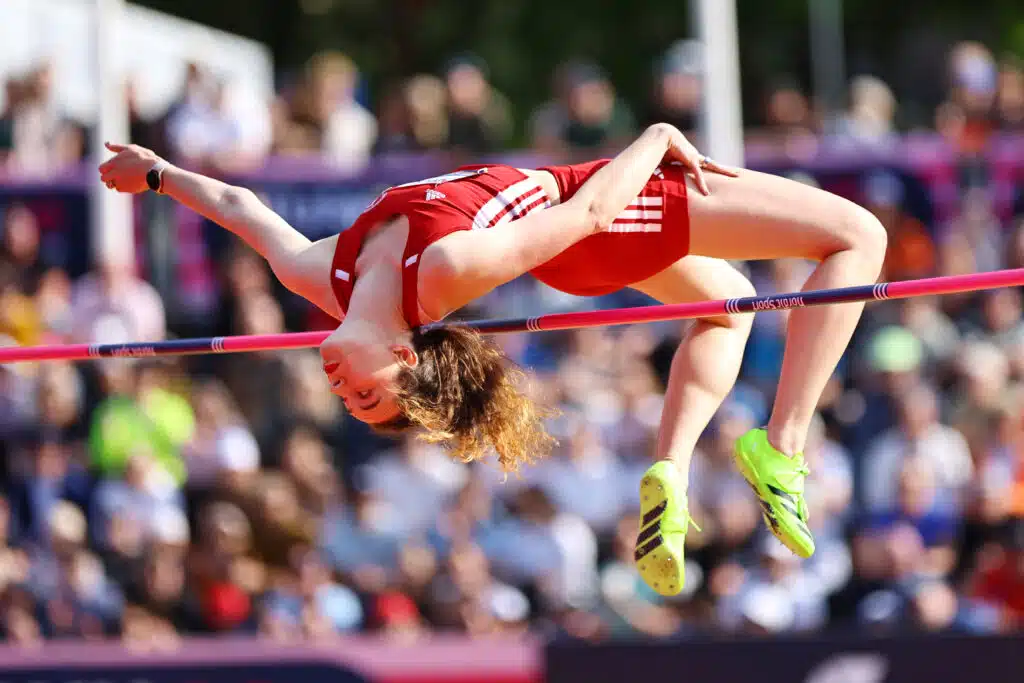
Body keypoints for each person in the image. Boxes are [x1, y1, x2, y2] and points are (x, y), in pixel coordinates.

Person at [98, 122, 887, 597]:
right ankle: (784, 445)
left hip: (584, 231)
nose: (341, 391)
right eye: (369, 395)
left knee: (727, 304)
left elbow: (241, 207)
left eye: (350, 402)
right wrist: (653, 140)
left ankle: (671, 474)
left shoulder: (323, 275)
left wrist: (158, 175)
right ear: (401, 354)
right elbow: (591, 212)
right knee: (859, 236)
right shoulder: (444, 272)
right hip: (599, 211)